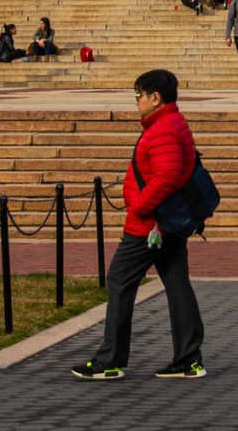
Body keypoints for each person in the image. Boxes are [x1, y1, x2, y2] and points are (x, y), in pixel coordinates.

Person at [71, 68, 205, 380]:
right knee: (177, 285)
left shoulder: (163, 129)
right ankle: (188, 358)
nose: (136, 102)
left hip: (150, 225)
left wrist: (140, 206)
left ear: (155, 98)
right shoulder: (172, 121)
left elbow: (167, 176)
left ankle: (110, 360)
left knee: (119, 280)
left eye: (139, 96)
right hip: (166, 223)